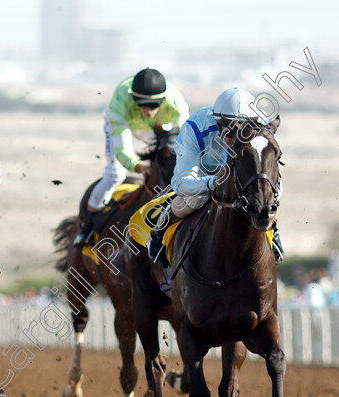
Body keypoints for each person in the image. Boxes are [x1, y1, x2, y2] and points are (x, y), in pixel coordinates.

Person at [146, 87, 284, 267]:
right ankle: (160, 230)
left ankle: (274, 231)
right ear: (218, 125)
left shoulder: (262, 124)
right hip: (205, 175)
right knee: (193, 200)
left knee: (262, 196)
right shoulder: (195, 127)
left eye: (244, 132)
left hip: (243, 177)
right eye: (231, 132)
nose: (237, 138)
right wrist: (213, 182)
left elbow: (274, 176)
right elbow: (181, 183)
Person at [73, 68, 189, 247]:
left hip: (159, 126)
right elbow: (122, 151)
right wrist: (138, 166)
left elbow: (187, 142)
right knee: (115, 175)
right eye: (142, 105)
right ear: (133, 99)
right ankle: (86, 225)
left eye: (154, 105)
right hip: (124, 123)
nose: (148, 111)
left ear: (164, 100)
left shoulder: (176, 103)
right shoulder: (122, 101)